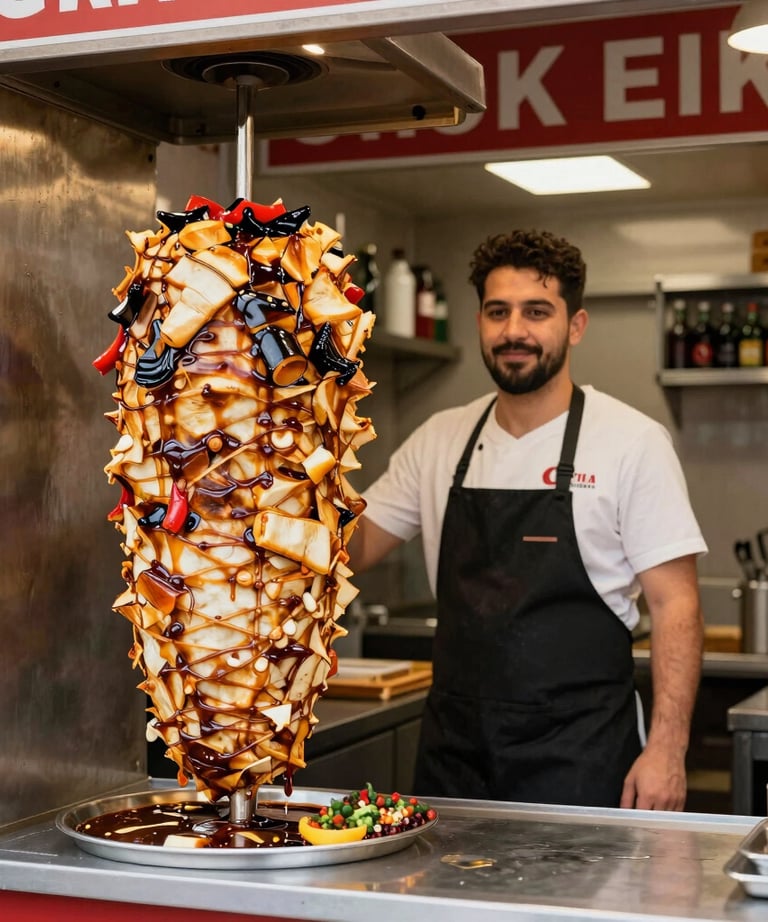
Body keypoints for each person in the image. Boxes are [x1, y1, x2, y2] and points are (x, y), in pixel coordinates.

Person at [350, 229, 706, 811]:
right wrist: (290, 449)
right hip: (455, 759)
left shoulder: (631, 442)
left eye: (536, 312)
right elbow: (356, 545)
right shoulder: (442, 438)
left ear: (575, 325)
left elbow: (677, 606)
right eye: (498, 312)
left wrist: (667, 750)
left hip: (583, 759)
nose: (514, 330)